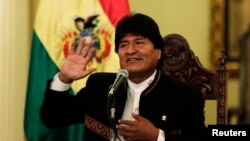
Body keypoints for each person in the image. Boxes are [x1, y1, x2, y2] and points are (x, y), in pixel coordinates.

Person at [40, 13, 207, 141]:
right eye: (123, 45)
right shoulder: (100, 85)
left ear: (158, 52)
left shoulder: (186, 95)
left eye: (139, 42)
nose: (130, 50)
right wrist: (64, 78)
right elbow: (52, 118)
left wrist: (156, 136)